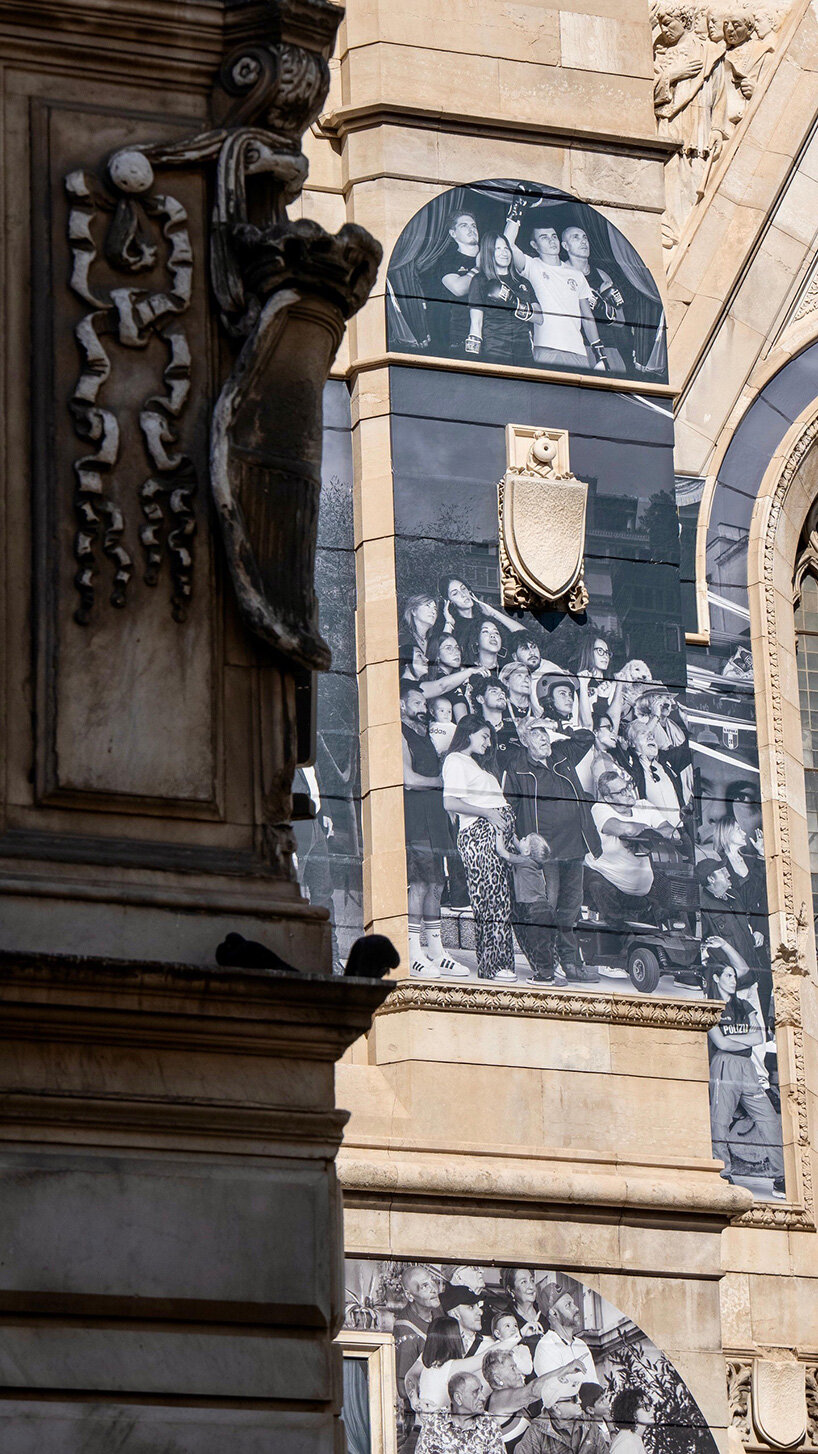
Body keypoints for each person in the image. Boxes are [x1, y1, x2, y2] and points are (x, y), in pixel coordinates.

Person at [502, 717, 601, 984]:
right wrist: (516, 842)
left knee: (570, 909)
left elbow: (586, 737)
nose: (544, 738)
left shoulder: (561, 753)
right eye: (536, 734)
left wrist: (555, 727)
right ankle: (549, 964)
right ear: (524, 740)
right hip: (546, 853)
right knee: (548, 909)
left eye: (545, 733)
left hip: (574, 847)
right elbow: (510, 807)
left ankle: (571, 962)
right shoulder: (517, 766)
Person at [442, 716, 519, 980]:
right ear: (468, 733)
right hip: (478, 835)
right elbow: (450, 802)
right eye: (484, 736)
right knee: (490, 900)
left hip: (496, 833)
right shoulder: (455, 761)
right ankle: (492, 965)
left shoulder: (476, 764)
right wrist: (487, 813)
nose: (488, 742)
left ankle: (501, 962)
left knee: (502, 900)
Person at [401, 682, 469, 978]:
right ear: (402, 706)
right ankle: (413, 950)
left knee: (438, 884)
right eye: (416, 702)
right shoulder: (398, 733)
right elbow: (409, 780)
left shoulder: (425, 735)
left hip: (436, 817)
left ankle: (437, 951)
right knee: (420, 883)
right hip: (415, 817)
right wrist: (443, 782)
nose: (423, 708)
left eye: (424, 703)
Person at [705, 943, 785, 1197]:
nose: (733, 979)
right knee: (720, 1120)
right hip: (723, 1064)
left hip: (746, 1066)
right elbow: (722, 1043)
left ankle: (780, 1175)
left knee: (770, 1119)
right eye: (727, 975)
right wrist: (745, 1039)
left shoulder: (744, 1005)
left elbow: (759, 1037)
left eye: (733, 976)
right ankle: (723, 1171)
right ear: (717, 978)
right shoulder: (710, 1005)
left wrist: (727, 946)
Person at [503, 208, 608, 371]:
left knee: (578, 396)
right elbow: (506, 244)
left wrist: (599, 353)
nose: (552, 241)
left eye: (553, 237)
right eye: (544, 238)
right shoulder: (532, 265)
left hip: (577, 351)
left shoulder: (576, 274)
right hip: (546, 347)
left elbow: (587, 316)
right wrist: (517, 212)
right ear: (534, 245)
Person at [583, 769, 680, 929]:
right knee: (597, 885)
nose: (629, 793)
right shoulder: (600, 809)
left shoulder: (644, 805)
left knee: (674, 905)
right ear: (608, 798)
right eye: (622, 791)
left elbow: (673, 833)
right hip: (609, 882)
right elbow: (625, 829)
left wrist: (645, 831)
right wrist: (651, 832)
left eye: (628, 787)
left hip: (642, 888)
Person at [560, 227, 630, 374]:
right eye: (576, 237)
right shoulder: (560, 273)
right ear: (565, 246)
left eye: (585, 237)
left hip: (609, 347)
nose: (583, 241)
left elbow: (621, 321)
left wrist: (603, 309)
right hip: (577, 347)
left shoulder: (602, 275)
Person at [466, 231, 537, 365]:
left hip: (523, 348)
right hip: (494, 347)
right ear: (489, 252)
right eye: (498, 249)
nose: (504, 253)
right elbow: (476, 322)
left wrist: (514, 302)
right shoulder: (480, 280)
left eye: (506, 248)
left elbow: (539, 318)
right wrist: (472, 356)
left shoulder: (522, 282)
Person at [420, 210, 481, 358]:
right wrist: (481, 267)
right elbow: (458, 289)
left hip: (496, 331)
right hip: (461, 332)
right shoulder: (447, 260)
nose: (471, 229)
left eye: (473, 225)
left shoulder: (495, 253)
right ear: (453, 233)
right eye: (464, 226)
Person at [394, 1266, 442, 1446]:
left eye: (432, 1282)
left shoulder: (436, 1310)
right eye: (424, 1286)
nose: (433, 1289)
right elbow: (402, 1386)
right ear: (409, 1295)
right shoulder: (406, 1330)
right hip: (422, 1417)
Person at [416, 1372, 506, 1454]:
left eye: (481, 1391)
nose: (482, 1397)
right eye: (475, 1392)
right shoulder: (434, 1422)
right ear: (458, 1398)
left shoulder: (490, 1423)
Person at [533, 1285, 597, 1384]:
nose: (576, 1308)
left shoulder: (581, 1345)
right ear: (554, 1313)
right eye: (568, 1305)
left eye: (573, 1304)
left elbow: (594, 1385)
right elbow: (554, 1391)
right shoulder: (546, 1346)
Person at [515, 1391, 609, 1454]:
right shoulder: (536, 1433)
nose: (579, 1401)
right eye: (573, 1399)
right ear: (556, 1408)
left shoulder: (588, 1424)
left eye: (578, 1396)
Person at [401, 593, 440, 681]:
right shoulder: (403, 639)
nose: (433, 611)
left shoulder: (432, 641)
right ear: (414, 611)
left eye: (435, 608)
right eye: (428, 606)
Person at [608, 1390, 653, 1454]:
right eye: (645, 1407)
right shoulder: (626, 1441)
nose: (651, 1411)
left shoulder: (634, 1438)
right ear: (633, 1413)